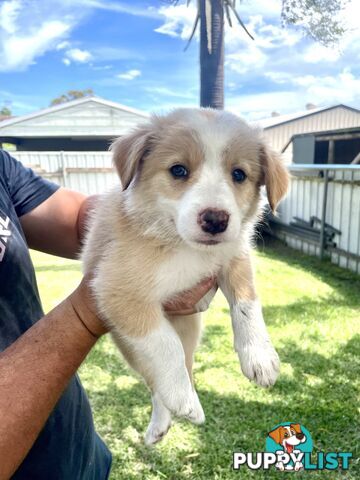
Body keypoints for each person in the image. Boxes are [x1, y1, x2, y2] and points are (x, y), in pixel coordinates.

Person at [0, 150, 216, 479]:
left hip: (78, 456)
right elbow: (106, 300)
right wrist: (89, 310)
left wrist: (151, 212)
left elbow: (77, 218)